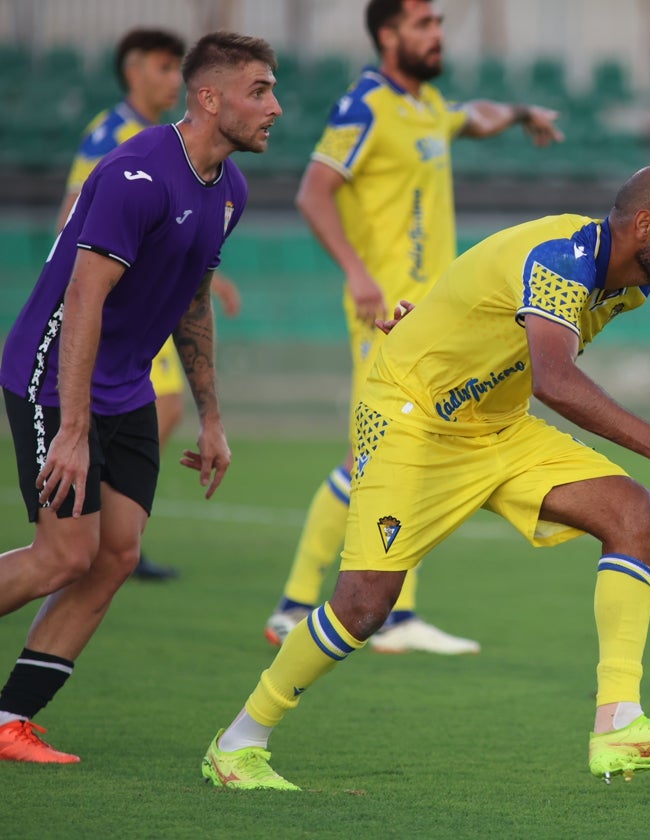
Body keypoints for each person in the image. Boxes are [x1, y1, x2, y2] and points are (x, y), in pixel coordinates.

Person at [202, 163, 650, 790]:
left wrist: (428, 315)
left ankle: (620, 725)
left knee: (639, 520)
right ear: (645, 223)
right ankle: (238, 741)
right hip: (411, 414)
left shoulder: (627, 285)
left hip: (496, 424)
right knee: (365, 603)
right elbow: (555, 378)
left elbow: (487, 292)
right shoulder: (565, 258)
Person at [0, 31, 281, 764]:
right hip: (53, 374)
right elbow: (83, 300)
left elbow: (192, 298)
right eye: (259, 91)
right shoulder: (135, 174)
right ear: (209, 97)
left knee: (116, 555)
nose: (275, 107)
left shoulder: (232, 191)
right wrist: (72, 430)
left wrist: (212, 417)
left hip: (124, 385)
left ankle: (8, 721)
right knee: (64, 556)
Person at [264, 0, 564, 655]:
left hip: (430, 317)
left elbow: (473, 117)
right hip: (384, 312)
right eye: (424, 24)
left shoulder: (428, 106)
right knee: (370, 457)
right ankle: (294, 606)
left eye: (439, 24)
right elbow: (314, 191)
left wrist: (517, 114)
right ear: (388, 32)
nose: (437, 34)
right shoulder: (364, 106)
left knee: (418, 449)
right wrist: (357, 273)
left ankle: (395, 616)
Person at [56, 27, 244, 582]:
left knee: (166, 408)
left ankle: (119, 535)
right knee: (160, 406)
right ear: (134, 70)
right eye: (163, 67)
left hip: (151, 306)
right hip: (114, 304)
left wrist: (212, 278)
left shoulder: (173, 142)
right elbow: (75, 212)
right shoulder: (114, 135)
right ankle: (103, 524)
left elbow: (178, 233)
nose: (171, 79)